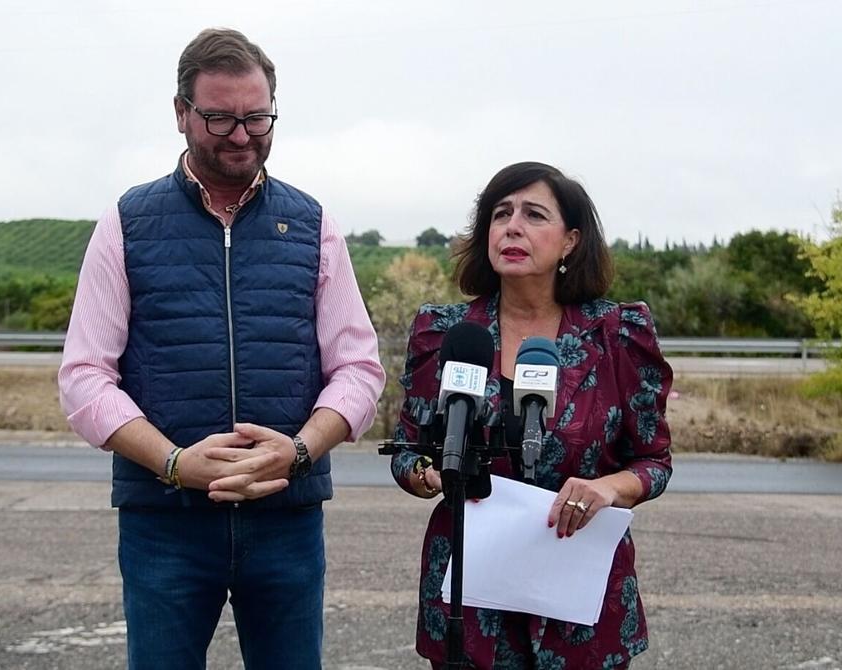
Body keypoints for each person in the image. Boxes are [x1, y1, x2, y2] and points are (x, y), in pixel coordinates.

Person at [58, 27, 385, 670]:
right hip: (166, 523)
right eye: (219, 117)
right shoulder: (127, 222)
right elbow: (85, 377)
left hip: (286, 520)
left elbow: (358, 368)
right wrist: (176, 463)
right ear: (181, 114)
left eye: (257, 117)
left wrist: (297, 451)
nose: (242, 135)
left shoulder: (314, 223)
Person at [390, 162, 673, 669]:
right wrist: (424, 472)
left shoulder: (617, 335)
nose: (512, 226)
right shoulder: (449, 333)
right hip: (471, 606)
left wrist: (606, 489)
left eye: (534, 215)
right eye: (500, 214)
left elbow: (653, 461)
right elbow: (407, 449)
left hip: (577, 602)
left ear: (569, 241)